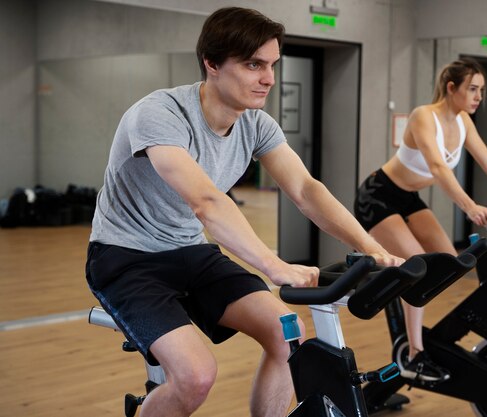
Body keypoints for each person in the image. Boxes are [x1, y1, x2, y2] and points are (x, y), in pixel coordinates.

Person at [86, 7, 402, 417]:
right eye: (254, 65)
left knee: (287, 336)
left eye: (272, 65)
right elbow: (207, 202)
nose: (269, 78)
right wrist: (273, 266)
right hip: (125, 258)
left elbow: (306, 189)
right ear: (212, 63)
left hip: (190, 252)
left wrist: (371, 248)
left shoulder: (257, 124)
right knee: (196, 377)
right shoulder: (159, 114)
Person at [354, 57, 487, 383]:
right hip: (378, 195)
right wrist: (468, 206)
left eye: (481, 90)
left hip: (408, 198)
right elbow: (438, 168)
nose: (478, 96)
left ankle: (395, 290)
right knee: (418, 267)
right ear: (452, 88)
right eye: (472, 89)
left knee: (450, 262)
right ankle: (413, 354)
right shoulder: (425, 116)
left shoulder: (464, 121)